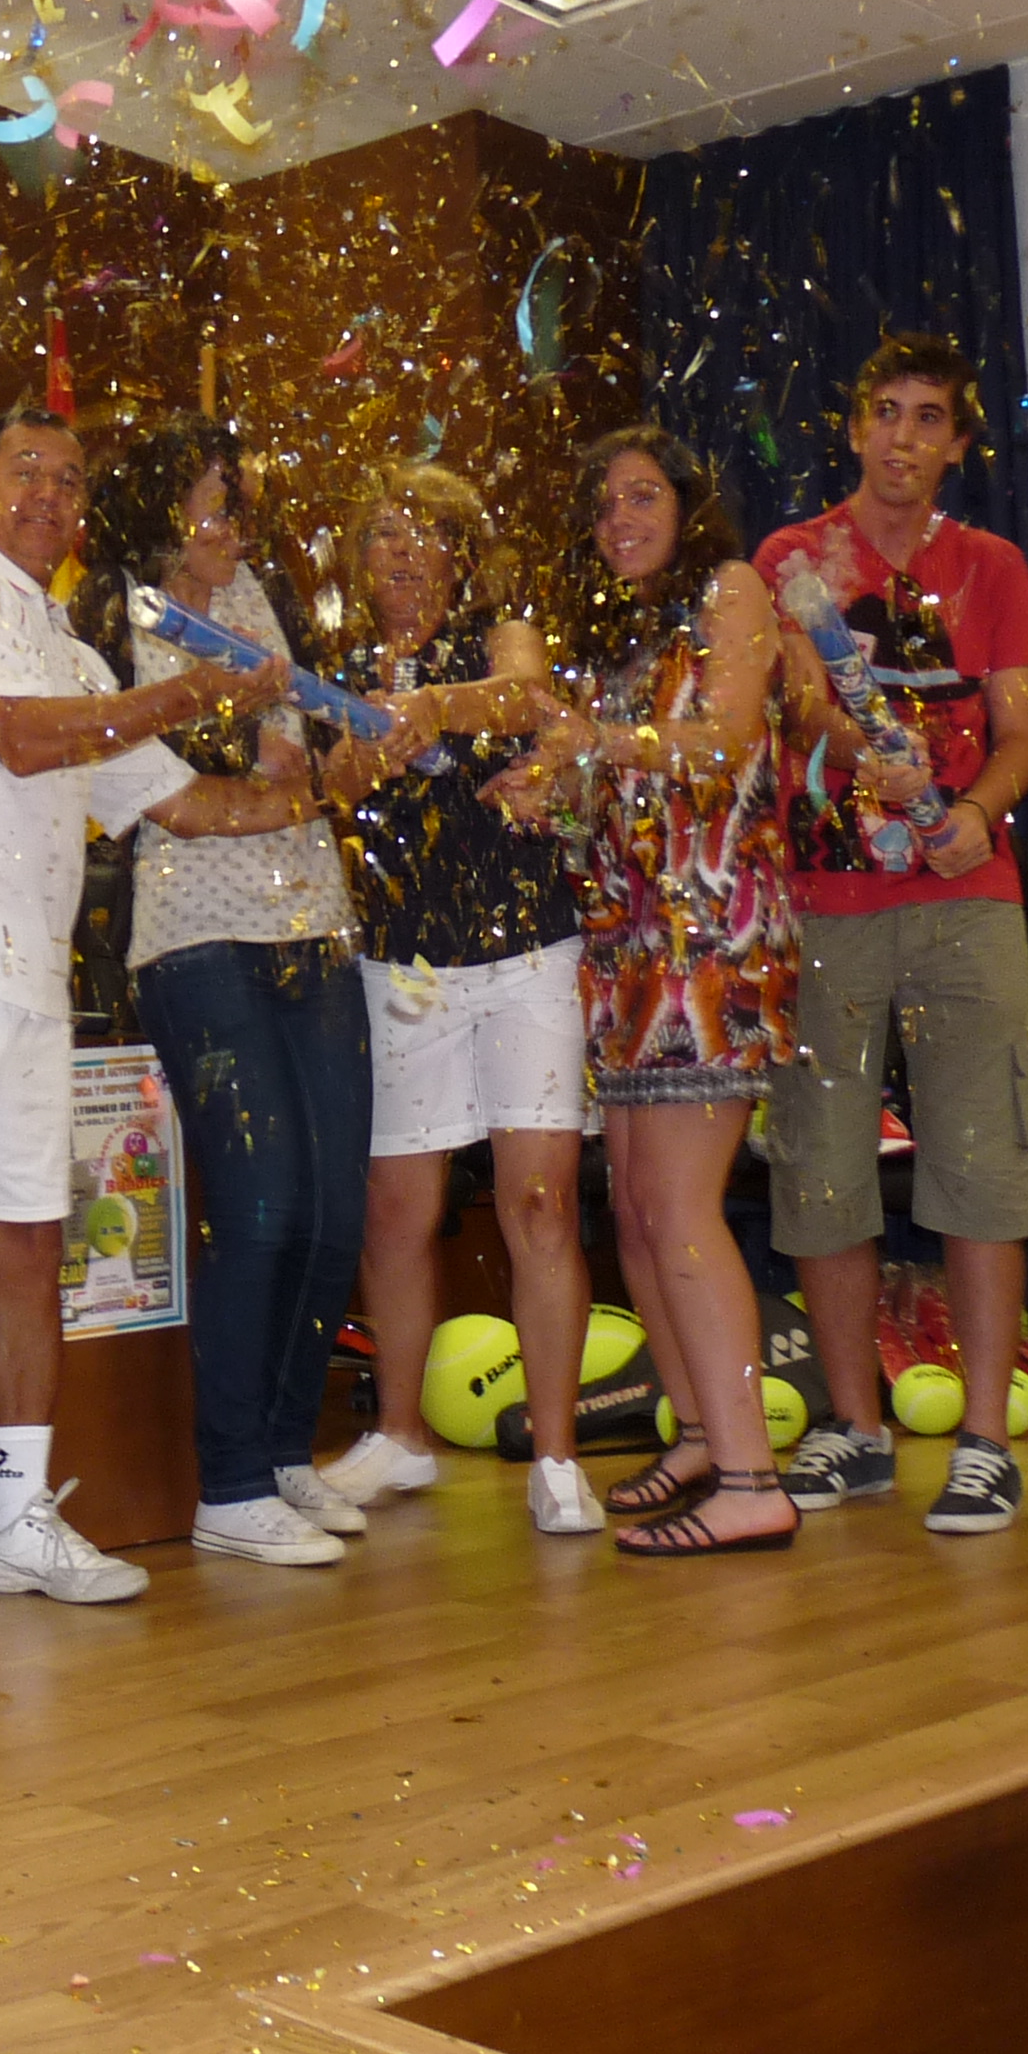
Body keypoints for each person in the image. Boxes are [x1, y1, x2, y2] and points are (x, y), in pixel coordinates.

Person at [0, 407, 402, 1650]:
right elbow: (16, 741)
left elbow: (195, 808)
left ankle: (14, 1521)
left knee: (28, 1256)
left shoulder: (77, 659)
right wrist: (193, 686)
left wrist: (341, 781)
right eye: (27, 472)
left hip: (25, 985)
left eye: (69, 482)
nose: (49, 496)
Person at [752, 334, 1028, 1536]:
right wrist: (854, 749)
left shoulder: (991, 567)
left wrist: (974, 813)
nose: (902, 436)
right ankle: (855, 1428)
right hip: (822, 908)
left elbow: (1020, 735)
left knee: (982, 1164)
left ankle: (984, 1443)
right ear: (854, 427)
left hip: (968, 904)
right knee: (822, 1170)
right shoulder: (792, 560)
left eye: (929, 417)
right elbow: (792, 705)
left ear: (958, 444)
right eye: (884, 410)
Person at [68, 417, 373, 1571]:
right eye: (212, 500)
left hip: (316, 925)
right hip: (194, 940)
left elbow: (318, 744)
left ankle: (286, 1450)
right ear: (160, 509)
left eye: (239, 500)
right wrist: (298, 787)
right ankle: (230, 1483)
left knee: (334, 1208)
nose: (233, 521)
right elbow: (178, 804)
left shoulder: (264, 595)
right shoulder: (115, 620)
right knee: (259, 1204)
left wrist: (338, 767)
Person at [489, 428, 799, 1556]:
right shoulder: (624, 630)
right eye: (604, 503)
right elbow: (619, 790)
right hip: (629, 950)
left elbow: (720, 743)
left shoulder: (731, 589)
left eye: (642, 495)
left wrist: (595, 744)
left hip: (708, 939)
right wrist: (552, 792)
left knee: (678, 1210)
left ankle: (753, 1479)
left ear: (687, 503)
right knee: (632, 1209)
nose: (619, 518)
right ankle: (703, 1439)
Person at [313, 463, 602, 1539]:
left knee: (542, 1203)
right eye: (383, 535)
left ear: (461, 555)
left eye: (424, 534)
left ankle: (558, 1457)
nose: (403, 554)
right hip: (404, 966)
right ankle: (401, 1436)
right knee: (397, 1210)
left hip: (528, 954)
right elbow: (325, 789)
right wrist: (354, 755)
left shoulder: (499, 638)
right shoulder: (339, 668)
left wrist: (433, 705)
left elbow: (526, 699)